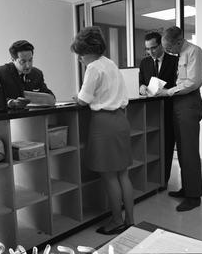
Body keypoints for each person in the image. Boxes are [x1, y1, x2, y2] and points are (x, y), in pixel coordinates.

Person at [71, 26, 134, 234]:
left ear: (89, 51)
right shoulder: (111, 63)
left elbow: (83, 99)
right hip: (121, 120)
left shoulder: (94, 67)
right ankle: (130, 221)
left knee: (108, 176)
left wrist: (77, 99)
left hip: (104, 123)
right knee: (123, 174)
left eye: (81, 54)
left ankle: (116, 221)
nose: (80, 59)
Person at [160, 26, 202, 212]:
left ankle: (194, 197)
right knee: (183, 149)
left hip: (189, 101)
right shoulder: (180, 53)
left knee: (189, 150)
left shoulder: (194, 52)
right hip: (179, 103)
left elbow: (193, 81)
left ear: (179, 41)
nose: (169, 52)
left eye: (170, 48)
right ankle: (187, 188)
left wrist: (168, 91)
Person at [139, 32, 178, 187]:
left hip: (170, 110)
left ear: (161, 45)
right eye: (147, 49)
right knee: (152, 147)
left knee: (168, 147)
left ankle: (163, 181)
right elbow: (141, 81)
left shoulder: (175, 61)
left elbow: (179, 84)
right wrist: (141, 87)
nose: (151, 52)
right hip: (151, 112)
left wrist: (166, 91)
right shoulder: (145, 63)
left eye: (154, 48)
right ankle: (153, 179)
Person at [0, 40, 55, 108]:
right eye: (23, 61)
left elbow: (49, 96)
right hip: (10, 116)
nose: (28, 66)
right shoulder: (1, 73)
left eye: (30, 60)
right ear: (13, 59)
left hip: (33, 115)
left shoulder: (37, 74)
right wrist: (11, 103)